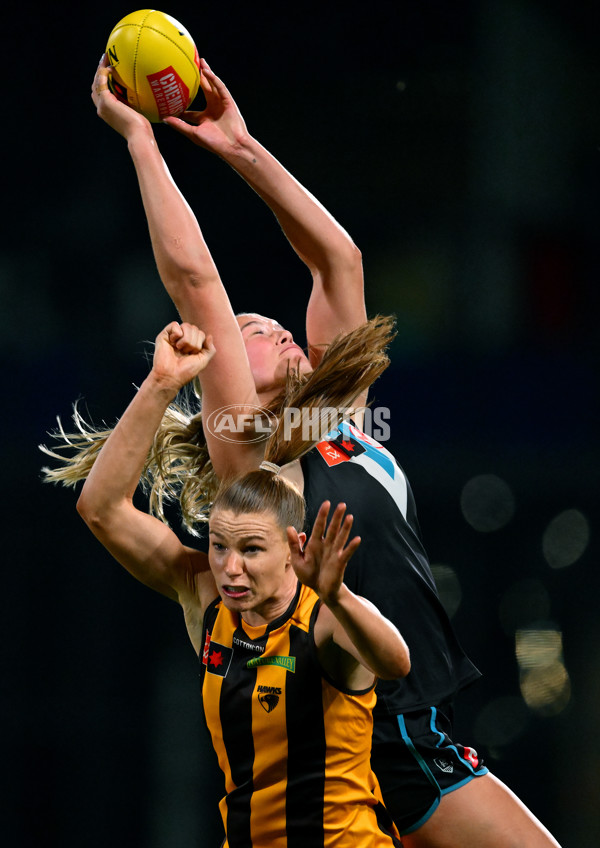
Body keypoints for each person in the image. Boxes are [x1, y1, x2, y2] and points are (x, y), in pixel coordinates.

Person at [46, 55, 563, 846]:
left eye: (276, 324)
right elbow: (196, 281)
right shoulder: (249, 456)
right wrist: (141, 143)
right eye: (251, 333)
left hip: (415, 715)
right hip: (374, 733)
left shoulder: (341, 414)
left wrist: (241, 146)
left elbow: (338, 259)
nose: (277, 328)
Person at [72, 319, 409, 847]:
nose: (230, 568)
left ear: (293, 548)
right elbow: (101, 509)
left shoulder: (323, 617)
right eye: (219, 546)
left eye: (251, 550)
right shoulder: (207, 600)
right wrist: (162, 383)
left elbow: (395, 663)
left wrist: (339, 594)